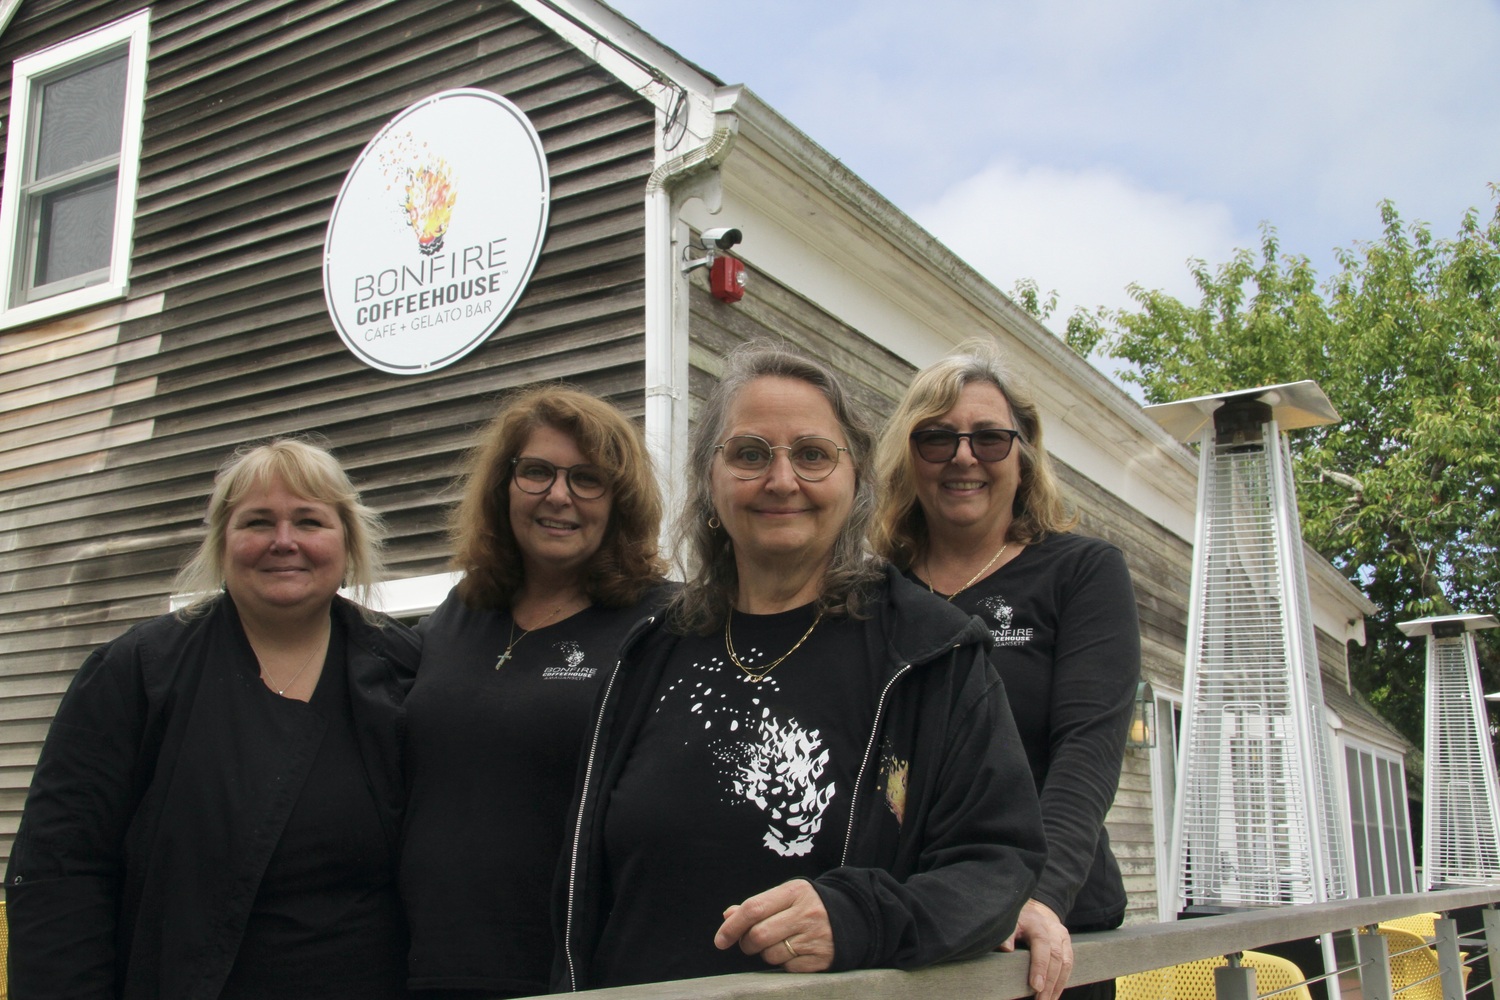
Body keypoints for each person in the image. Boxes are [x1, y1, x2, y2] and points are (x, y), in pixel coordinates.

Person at [554, 343, 1047, 992]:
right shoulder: (648, 652)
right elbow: (583, 888)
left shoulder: (932, 655)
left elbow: (997, 864)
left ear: (856, 480)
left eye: (812, 455)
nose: (781, 481)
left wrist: (858, 918)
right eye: (750, 454)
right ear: (709, 480)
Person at [6, 438, 420, 999]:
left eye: (309, 521)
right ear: (222, 542)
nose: (283, 541)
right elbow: (60, 868)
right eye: (256, 522)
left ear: (347, 541)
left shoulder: (403, 665)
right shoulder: (139, 672)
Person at [872, 338, 1142, 1000]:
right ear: (910, 459)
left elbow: (1088, 750)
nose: (964, 456)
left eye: (990, 439)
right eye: (937, 439)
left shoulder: (1082, 572)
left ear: (1023, 456)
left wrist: (1035, 896)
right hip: (914, 928)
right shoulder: (874, 594)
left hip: (1042, 933)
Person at [401, 386, 670, 999]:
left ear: (620, 502)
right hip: (426, 964)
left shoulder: (661, 626)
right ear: (504, 486)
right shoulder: (459, 613)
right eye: (537, 472)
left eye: (587, 479)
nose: (558, 495)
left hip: (574, 974)